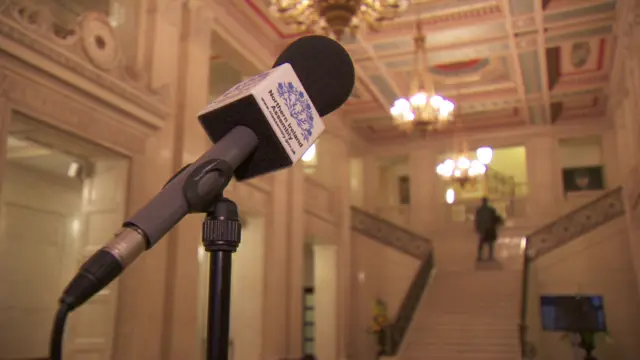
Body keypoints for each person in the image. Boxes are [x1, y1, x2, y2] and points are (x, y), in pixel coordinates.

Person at [474, 197, 503, 261]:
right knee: (490, 243)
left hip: (483, 229)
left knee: (482, 243)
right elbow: (495, 217)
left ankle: (480, 256)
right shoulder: (491, 210)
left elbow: (477, 220)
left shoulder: (479, 210)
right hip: (489, 228)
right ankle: (490, 256)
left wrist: (477, 228)